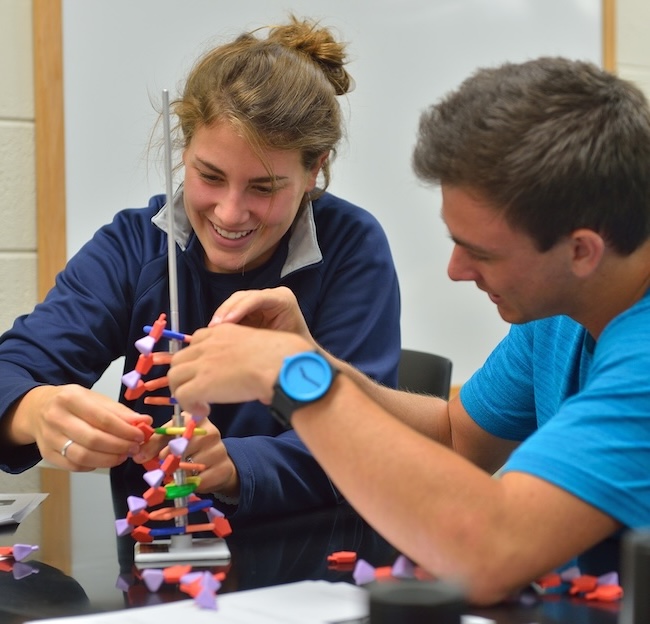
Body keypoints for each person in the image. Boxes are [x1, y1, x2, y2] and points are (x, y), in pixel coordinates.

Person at [166, 56, 650, 605]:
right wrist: (313, 361)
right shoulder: (568, 308)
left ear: (581, 250)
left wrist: (292, 379)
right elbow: (456, 437)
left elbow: (490, 551)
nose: (456, 270)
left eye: (481, 252)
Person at [0, 16, 401, 523]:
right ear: (183, 151)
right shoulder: (136, 245)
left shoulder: (350, 249)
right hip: (153, 554)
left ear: (314, 169)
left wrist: (233, 464)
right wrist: (36, 409)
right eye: (209, 176)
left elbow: (368, 441)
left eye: (265, 187)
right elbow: (12, 370)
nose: (231, 214)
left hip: (304, 560)